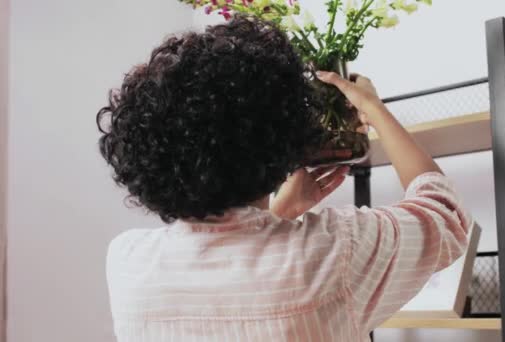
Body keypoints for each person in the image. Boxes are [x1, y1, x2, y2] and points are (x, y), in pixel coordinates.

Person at [98, 15, 471, 342]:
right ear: (286, 135)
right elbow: (445, 216)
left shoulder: (127, 263)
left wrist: (281, 212)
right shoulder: (333, 252)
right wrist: (373, 108)